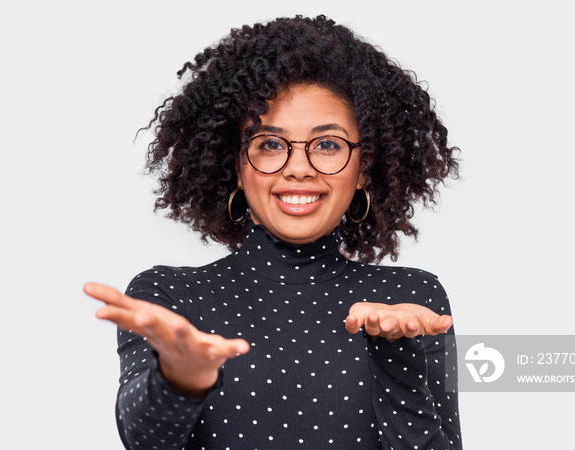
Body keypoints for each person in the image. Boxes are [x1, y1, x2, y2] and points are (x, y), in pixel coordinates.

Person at [85, 15, 462, 449]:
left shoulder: (416, 299)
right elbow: (142, 441)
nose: (298, 168)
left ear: (364, 167)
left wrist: (397, 355)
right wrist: (181, 376)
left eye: (327, 144)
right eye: (269, 144)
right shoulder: (169, 296)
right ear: (235, 164)